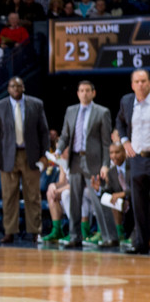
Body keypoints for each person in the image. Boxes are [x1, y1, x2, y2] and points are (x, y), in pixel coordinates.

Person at [0, 76, 50, 243]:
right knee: (9, 196)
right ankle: (9, 231)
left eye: (18, 86)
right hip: (7, 156)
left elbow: (44, 131)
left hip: (31, 155)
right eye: (13, 86)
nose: (16, 89)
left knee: (33, 196)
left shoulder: (36, 104)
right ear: (8, 89)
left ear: (23, 88)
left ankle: (35, 231)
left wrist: (45, 155)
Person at [56, 81, 113, 248]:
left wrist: (105, 164)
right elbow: (65, 135)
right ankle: (75, 236)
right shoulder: (71, 110)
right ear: (77, 93)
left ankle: (109, 236)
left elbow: (106, 143)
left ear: (93, 93)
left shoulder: (102, 112)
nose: (84, 93)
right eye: (81, 90)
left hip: (94, 161)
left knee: (98, 199)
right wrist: (59, 150)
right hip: (75, 160)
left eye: (88, 90)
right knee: (74, 200)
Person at [116, 68, 150, 254]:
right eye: (137, 81)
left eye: (143, 81)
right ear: (132, 85)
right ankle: (141, 244)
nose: (140, 84)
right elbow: (119, 122)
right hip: (137, 159)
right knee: (139, 205)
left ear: (149, 83)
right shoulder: (127, 101)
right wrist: (124, 141)